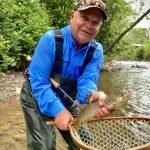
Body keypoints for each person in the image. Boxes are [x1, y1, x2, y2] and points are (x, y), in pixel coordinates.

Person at [20, 0, 111, 149]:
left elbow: (87, 81)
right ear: (72, 16)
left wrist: (91, 95)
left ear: (99, 27)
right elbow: (39, 82)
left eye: (95, 22)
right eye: (85, 17)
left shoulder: (96, 50)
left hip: (67, 99)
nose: (89, 25)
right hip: (35, 96)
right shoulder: (50, 40)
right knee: (44, 146)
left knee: (83, 140)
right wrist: (58, 110)